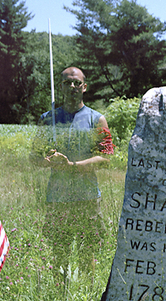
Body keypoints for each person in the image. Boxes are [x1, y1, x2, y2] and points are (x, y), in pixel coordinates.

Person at [31, 67, 113, 282]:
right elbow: (33, 157)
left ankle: (85, 298)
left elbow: (105, 158)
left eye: (77, 83)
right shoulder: (48, 119)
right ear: (61, 87)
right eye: (67, 83)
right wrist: (47, 162)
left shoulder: (98, 120)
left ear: (84, 87)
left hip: (87, 197)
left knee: (88, 254)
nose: (72, 87)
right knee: (59, 254)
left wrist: (72, 165)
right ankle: (60, 298)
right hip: (58, 197)